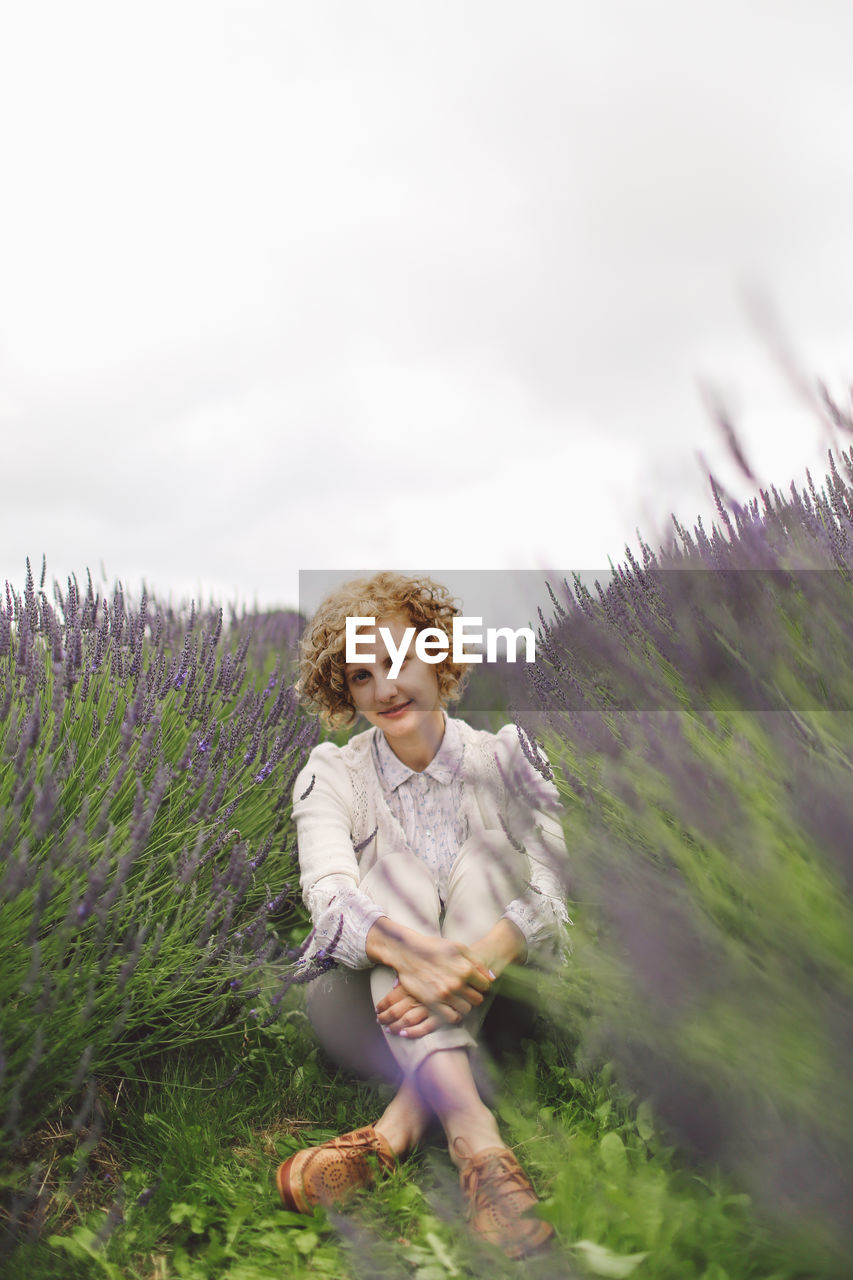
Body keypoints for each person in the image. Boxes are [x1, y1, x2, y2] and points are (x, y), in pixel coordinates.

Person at [276, 572, 569, 1258]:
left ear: (438, 657)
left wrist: (477, 957)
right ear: (343, 693)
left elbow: (557, 892)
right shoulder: (331, 773)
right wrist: (414, 956)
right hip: (364, 1018)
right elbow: (328, 897)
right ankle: (476, 1137)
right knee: (392, 873)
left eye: (400, 659)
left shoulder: (509, 756)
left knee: (491, 852)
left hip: (501, 995)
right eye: (360, 674)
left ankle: (397, 1130)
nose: (385, 687)